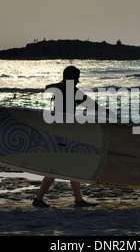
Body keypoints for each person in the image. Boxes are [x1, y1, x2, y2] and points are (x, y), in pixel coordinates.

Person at [33, 66, 108, 208]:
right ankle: (40, 199)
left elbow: (48, 87)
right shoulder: (71, 90)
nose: (79, 81)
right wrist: (106, 111)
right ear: (72, 78)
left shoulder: (61, 88)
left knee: (68, 167)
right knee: (60, 167)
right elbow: (91, 105)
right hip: (63, 133)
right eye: (77, 77)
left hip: (60, 131)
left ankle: (77, 200)